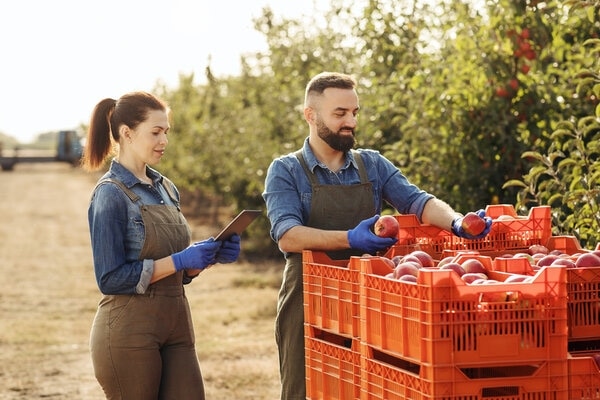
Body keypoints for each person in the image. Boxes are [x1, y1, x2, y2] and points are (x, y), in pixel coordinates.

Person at [262, 71, 492, 400]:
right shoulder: (286, 170)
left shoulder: (372, 164)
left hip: (371, 299)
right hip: (310, 298)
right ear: (310, 116)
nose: (350, 122)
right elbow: (288, 236)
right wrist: (351, 239)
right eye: (339, 114)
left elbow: (418, 201)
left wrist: (456, 222)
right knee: (306, 391)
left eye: (354, 113)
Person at [82, 91, 241, 400]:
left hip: (177, 322)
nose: (164, 140)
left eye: (166, 131)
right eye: (155, 132)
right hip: (129, 329)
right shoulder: (110, 194)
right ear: (127, 133)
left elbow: (177, 271)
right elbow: (109, 278)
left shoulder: (167, 188)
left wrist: (203, 260)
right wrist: (180, 260)